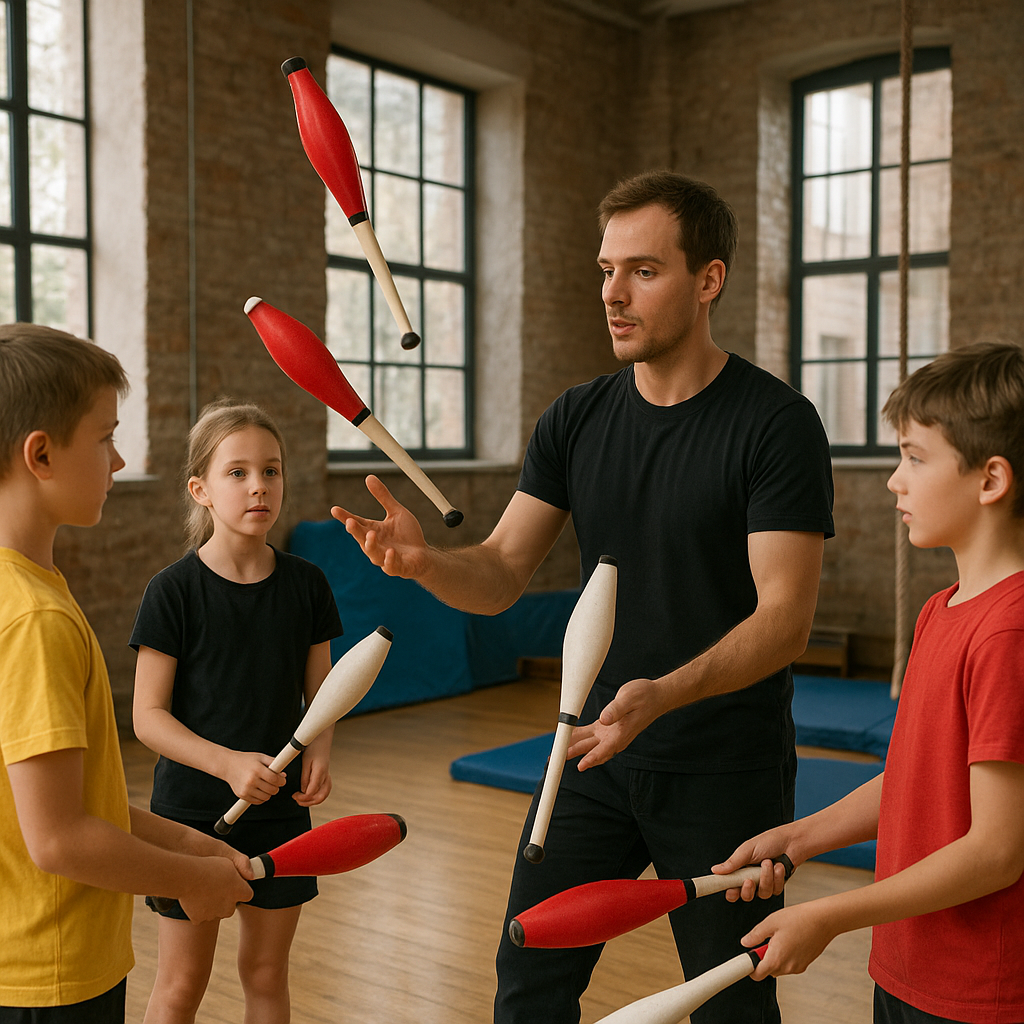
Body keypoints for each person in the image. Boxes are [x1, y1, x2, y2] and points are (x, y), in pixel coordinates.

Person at [332, 170, 835, 1023]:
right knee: (528, 982)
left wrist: (662, 694)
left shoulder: (774, 423)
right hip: (591, 753)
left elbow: (785, 621)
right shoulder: (575, 418)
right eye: (605, 270)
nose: (612, 293)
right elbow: (497, 574)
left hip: (723, 766)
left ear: (708, 279)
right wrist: (426, 563)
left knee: (730, 1005)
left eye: (642, 270)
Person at [715, 341, 1024, 1024]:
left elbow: (998, 852)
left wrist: (833, 915)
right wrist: (800, 838)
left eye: (915, 457)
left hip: (981, 993)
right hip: (907, 969)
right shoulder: (940, 612)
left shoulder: (1009, 634)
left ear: (990, 479)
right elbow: (917, 778)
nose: (895, 480)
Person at [0, 324, 253, 1023]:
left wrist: (179, 839)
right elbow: (58, 839)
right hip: (48, 976)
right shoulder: (33, 619)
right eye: (105, 437)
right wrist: (190, 881)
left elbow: (67, 803)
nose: (116, 462)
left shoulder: (23, 592)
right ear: (41, 454)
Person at [130, 399, 343, 1024]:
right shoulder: (172, 591)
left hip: (279, 814)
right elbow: (147, 717)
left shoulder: (307, 584)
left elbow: (322, 696)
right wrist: (225, 765)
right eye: (237, 472)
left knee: (267, 973)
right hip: (192, 821)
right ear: (200, 489)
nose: (259, 486)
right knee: (182, 981)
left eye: (272, 471)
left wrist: (319, 755)